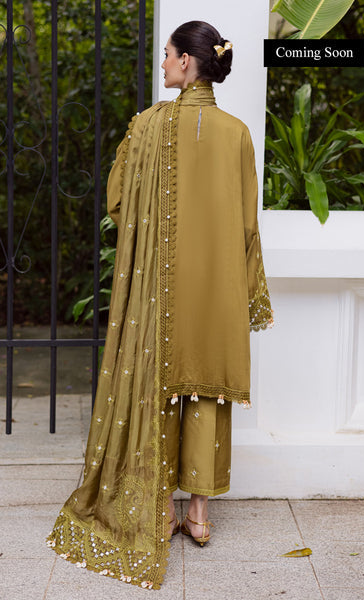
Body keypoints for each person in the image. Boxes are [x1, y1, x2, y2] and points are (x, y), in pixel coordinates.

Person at [46, 20, 273, 590]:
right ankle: (198, 513)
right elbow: (248, 225)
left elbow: (118, 201)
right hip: (217, 287)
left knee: (158, 381)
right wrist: (247, 287)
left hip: (160, 289)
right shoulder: (238, 133)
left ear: (188, 62)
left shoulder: (147, 126)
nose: (164, 63)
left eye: (168, 54)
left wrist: (151, 236)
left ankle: (157, 507)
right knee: (206, 384)